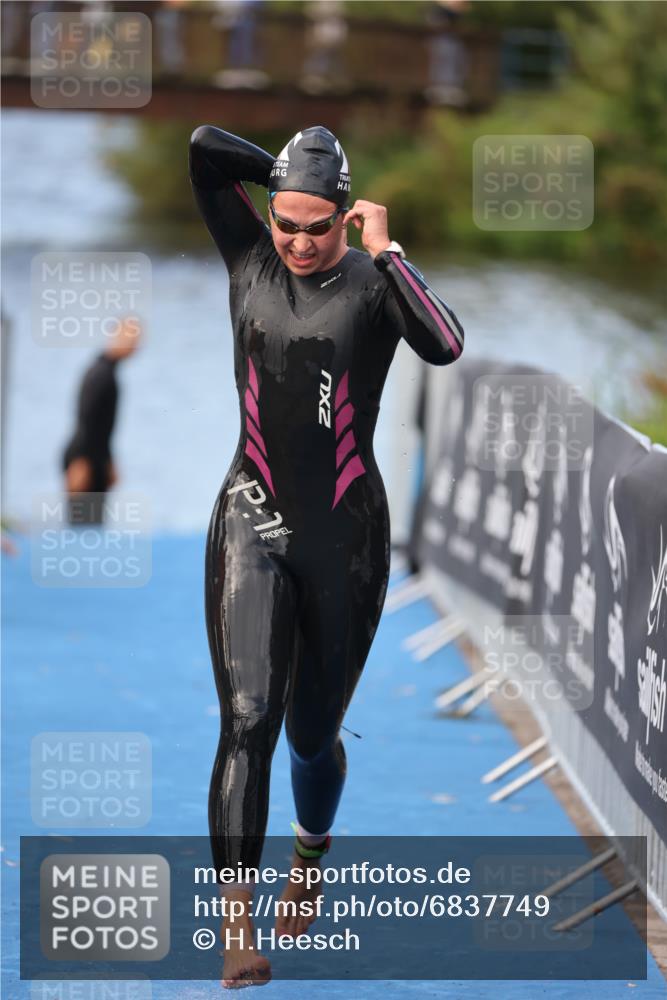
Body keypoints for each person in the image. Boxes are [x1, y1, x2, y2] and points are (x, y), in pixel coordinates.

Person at [189, 123, 464, 988]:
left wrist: (389, 254)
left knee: (311, 738)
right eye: (286, 222)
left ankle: (310, 853)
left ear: (348, 218)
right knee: (247, 719)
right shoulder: (247, 260)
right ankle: (237, 928)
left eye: (319, 226)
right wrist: (281, 170)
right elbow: (202, 145)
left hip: (346, 538)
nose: (300, 243)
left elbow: (445, 344)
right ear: (267, 215)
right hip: (251, 520)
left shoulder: (375, 284)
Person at [61, 319, 140, 524]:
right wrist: (81, 461)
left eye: (137, 339)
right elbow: (85, 418)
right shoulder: (100, 374)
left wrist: (108, 461)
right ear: (116, 335)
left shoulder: (107, 371)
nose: (134, 344)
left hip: (95, 457)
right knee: (82, 527)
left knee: (93, 526)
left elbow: (102, 427)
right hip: (84, 457)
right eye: (130, 337)